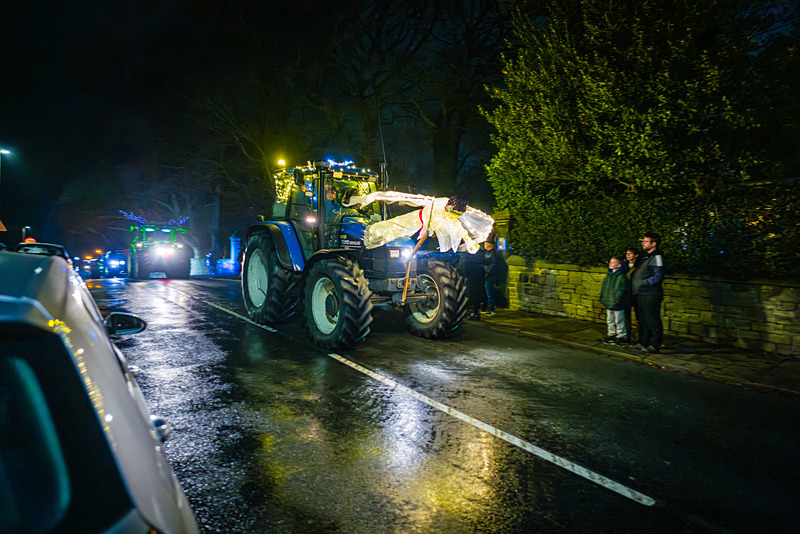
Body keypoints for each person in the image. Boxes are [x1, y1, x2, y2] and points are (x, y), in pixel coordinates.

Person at [631, 233, 665, 353]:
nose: (642, 243)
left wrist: (644, 283)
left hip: (650, 294)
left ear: (653, 244)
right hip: (640, 294)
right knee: (643, 320)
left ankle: (655, 344)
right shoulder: (646, 257)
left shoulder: (657, 257)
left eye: (645, 241)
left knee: (652, 319)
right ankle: (643, 341)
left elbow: (658, 275)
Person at [599, 256, 630, 346]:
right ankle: (611, 335)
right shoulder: (609, 275)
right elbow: (604, 288)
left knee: (619, 320)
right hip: (609, 301)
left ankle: (621, 336)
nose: (610, 264)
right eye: (610, 262)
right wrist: (603, 298)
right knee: (610, 320)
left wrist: (618, 300)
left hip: (617, 303)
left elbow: (622, 290)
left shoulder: (621, 277)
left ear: (619, 265)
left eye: (613, 262)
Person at [482, 237, 506, 316]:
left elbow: (493, 266)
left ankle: (491, 309)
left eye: (486, 243)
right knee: (487, 292)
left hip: (491, 275)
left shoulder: (493, 254)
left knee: (489, 293)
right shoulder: (488, 253)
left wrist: (487, 274)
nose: (484, 245)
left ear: (490, 245)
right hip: (490, 275)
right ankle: (486, 308)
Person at [460, 249, 486, 320]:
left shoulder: (468, 256)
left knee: (472, 295)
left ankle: (474, 313)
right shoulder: (480, 254)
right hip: (480, 276)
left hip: (471, 277)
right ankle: (476, 312)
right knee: (478, 295)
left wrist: (464, 275)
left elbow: (466, 267)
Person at [624, 247, 639, 340]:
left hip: (636, 294)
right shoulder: (624, 265)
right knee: (626, 316)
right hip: (626, 294)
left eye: (630, 253)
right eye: (627, 253)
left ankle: (639, 336)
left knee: (639, 316)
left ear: (636, 255)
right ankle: (627, 335)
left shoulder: (639, 266)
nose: (628, 255)